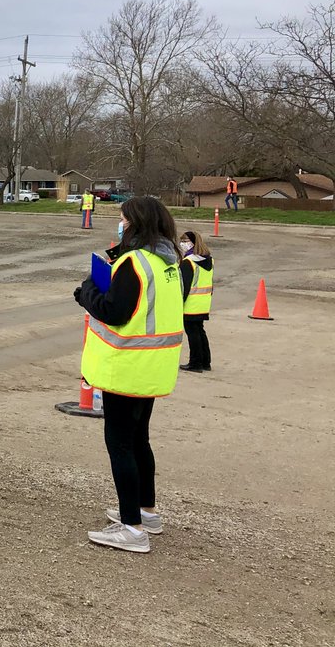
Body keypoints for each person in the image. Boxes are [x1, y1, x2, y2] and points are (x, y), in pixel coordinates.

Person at [74, 196, 184, 553]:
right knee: (140, 440)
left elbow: (114, 310)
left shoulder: (134, 262)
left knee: (120, 444)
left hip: (127, 366)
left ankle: (131, 527)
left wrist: (87, 289)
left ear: (134, 223)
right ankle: (146, 511)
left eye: (122, 219)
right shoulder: (170, 262)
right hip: (154, 366)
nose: (119, 224)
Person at [178, 229, 214, 372]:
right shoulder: (209, 259)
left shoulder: (189, 262)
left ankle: (195, 363)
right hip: (204, 302)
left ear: (192, 243)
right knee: (199, 331)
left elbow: (184, 287)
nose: (182, 244)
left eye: (185, 241)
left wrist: (179, 303)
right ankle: (206, 361)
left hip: (191, 304)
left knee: (193, 333)